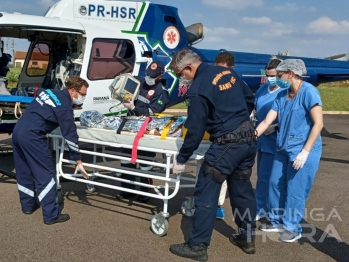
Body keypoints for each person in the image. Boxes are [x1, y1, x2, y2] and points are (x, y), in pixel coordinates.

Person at [169, 49, 257, 261]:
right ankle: (246, 237)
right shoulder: (228, 73)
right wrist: (236, 119)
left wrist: (182, 158)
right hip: (248, 140)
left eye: (182, 74)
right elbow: (250, 99)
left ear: (189, 67)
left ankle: (198, 245)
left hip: (226, 145)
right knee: (242, 191)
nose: (183, 79)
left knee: (205, 193)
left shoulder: (198, 89)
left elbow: (196, 130)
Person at [255, 59, 323, 242]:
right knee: (274, 183)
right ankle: (276, 220)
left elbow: (318, 124)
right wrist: (252, 136)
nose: (277, 79)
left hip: (302, 150)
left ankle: (293, 227)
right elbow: (266, 122)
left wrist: (305, 151)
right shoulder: (281, 96)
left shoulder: (309, 92)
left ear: (291, 73)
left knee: (295, 189)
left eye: (279, 75)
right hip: (283, 148)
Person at [12, 76, 90, 225]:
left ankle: (28, 206)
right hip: (32, 136)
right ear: (73, 90)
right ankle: (51, 215)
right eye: (83, 94)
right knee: (46, 174)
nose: (83, 98)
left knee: (23, 171)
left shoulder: (50, 92)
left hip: (18, 131)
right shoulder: (65, 107)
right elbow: (70, 135)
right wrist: (78, 159)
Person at [115, 61, 169, 203]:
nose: (148, 77)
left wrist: (134, 106)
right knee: (126, 160)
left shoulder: (161, 93)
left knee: (145, 162)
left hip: (146, 129)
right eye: (147, 74)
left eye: (152, 76)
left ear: (160, 76)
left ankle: (146, 191)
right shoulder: (139, 81)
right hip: (129, 125)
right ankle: (127, 190)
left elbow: (152, 112)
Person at [254, 58, 283, 220]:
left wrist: (275, 127)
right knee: (263, 177)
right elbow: (254, 108)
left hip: (276, 142)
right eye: (267, 75)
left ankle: (275, 213)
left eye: (273, 75)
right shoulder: (262, 90)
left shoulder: (284, 93)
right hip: (262, 141)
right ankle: (260, 208)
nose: (270, 78)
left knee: (274, 181)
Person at [213, 51, 235, 220]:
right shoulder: (213, 85)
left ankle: (218, 205)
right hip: (214, 135)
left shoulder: (237, 86)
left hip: (232, 138)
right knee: (206, 170)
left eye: (223, 69)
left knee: (224, 173)